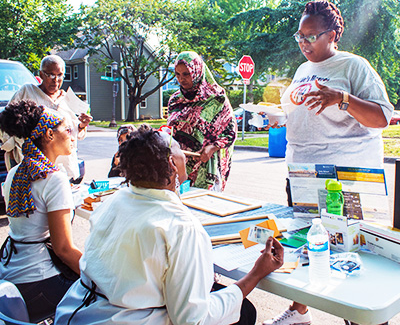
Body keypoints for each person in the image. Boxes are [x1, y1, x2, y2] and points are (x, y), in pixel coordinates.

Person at [55, 124, 284, 325]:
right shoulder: (181, 228)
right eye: (178, 149)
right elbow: (192, 319)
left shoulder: (114, 201)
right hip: (120, 318)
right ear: (173, 164)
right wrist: (255, 274)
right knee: (244, 311)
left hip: (75, 312)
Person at [264, 0, 393, 325]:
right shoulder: (302, 70)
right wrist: (279, 119)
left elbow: (382, 116)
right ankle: (300, 311)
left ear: (333, 35)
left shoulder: (354, 67)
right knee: (309, 241)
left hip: (347, 176)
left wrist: (343, 99)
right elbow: (302, 112)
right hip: (304, 172)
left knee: (353, 251)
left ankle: (365, 319)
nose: (304, 43)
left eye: (312, 36)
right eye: (300, 37)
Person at [0, 101, 82, 322]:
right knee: (100, 296)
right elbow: (63, 249)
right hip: (38, 283)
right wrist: (99, 276)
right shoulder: (54, 179)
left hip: (9, 275)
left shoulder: (15, 172)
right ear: (49, 135)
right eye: (66, 129)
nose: (72, 136)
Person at [0, 54, 92, 181]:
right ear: (41, 74)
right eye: (50, 75)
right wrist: (15, 144)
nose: (55, 80)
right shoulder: (27, 92)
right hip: (34, 168)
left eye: (60, 75)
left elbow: (74, 134)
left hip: (63, 167)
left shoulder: (67, 99)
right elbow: (6, 122)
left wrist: (81, 125)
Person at [167, 51, 237, 191]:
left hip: (205, 165)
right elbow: (170, 131)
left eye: (186, 74)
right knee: (180, 205)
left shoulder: (216, 98)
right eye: (178, 74)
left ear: (197, 71)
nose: (182, 79)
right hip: (179, 166)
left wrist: (212, 147)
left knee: (204, 206)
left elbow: (230, 131)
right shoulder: (175, 100)